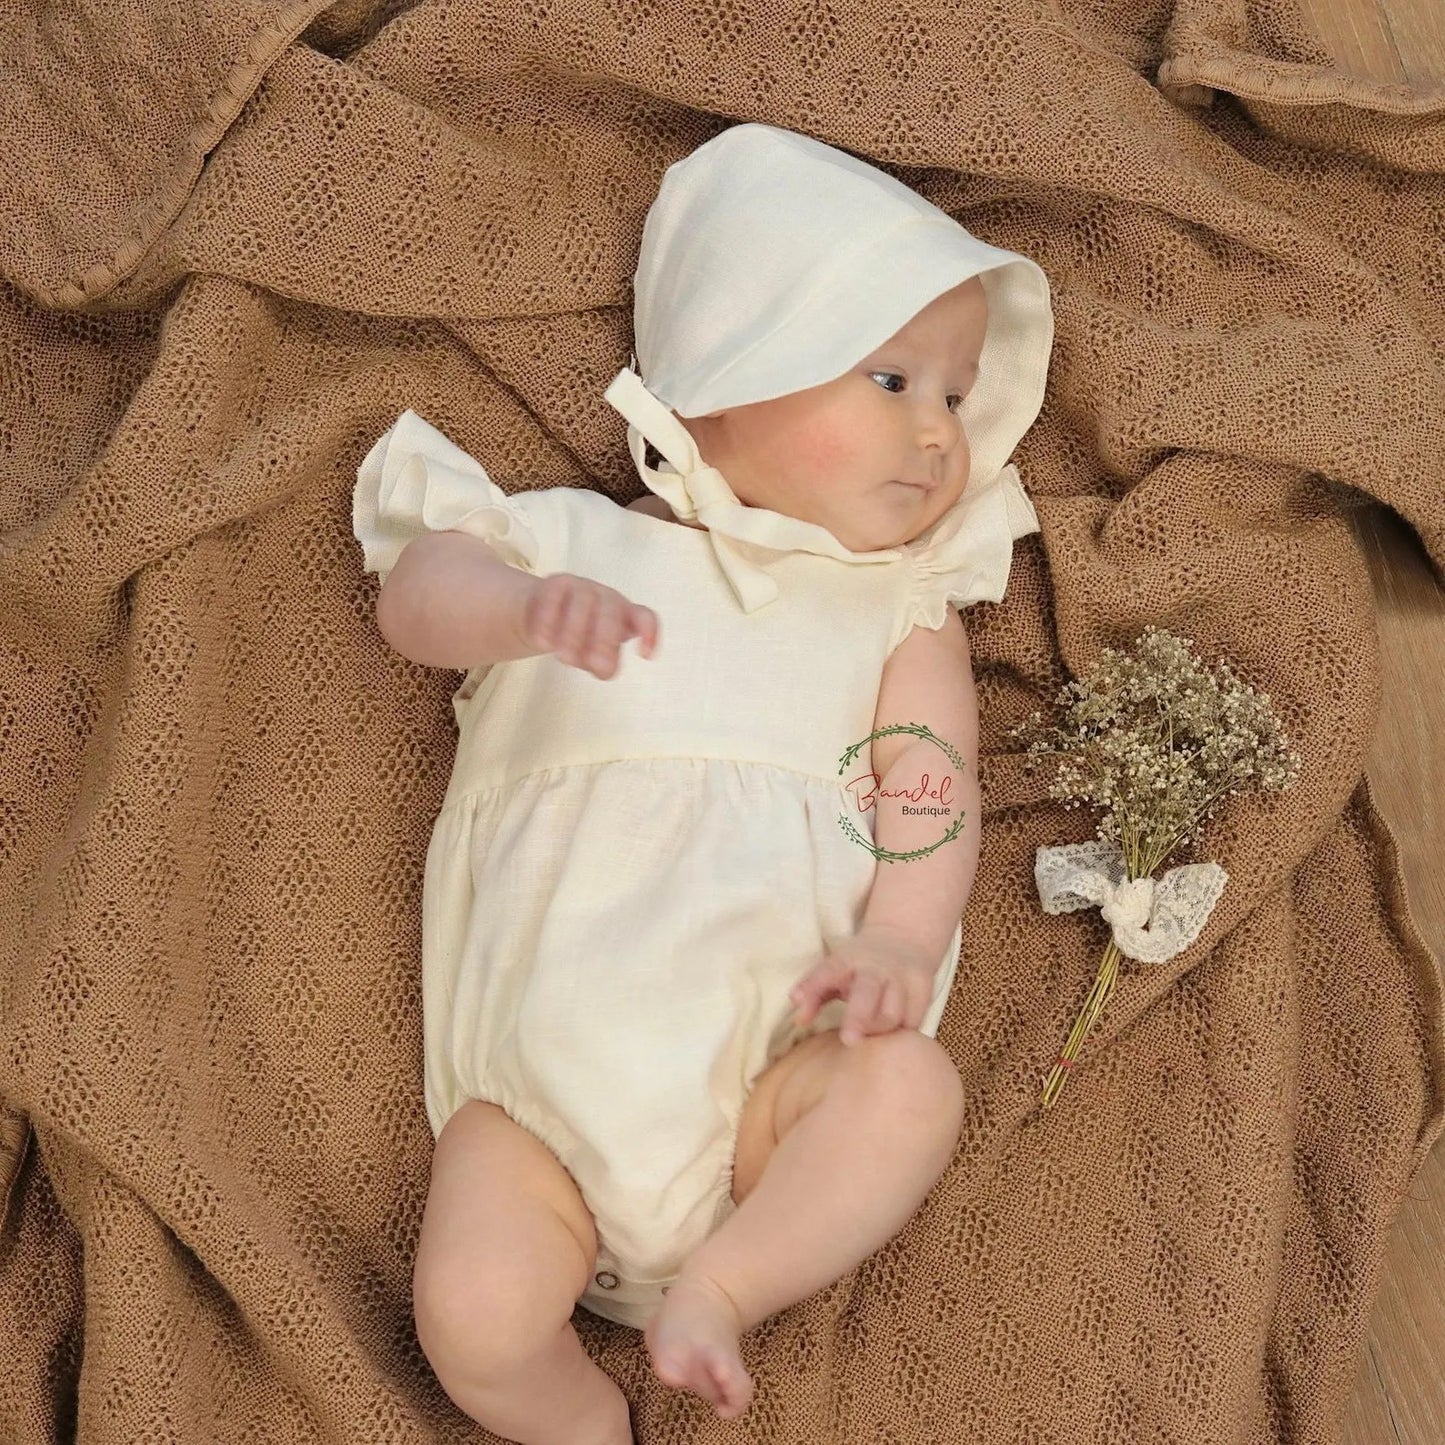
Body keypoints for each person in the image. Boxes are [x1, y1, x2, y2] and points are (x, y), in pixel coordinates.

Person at [352, 121, 1053, 1445]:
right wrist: (518, 609)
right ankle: (573, 1421)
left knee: (909, 1089)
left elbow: (926, 780)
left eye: (957, 398)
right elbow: (412, 598)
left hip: (767, 1103)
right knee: (473, 1308)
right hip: (541, 1121)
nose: (937, 434)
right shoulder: (565, 543)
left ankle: (722, 1289)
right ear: (732, 371)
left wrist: (904, 936)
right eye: (892, 377)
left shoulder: (899, 607)